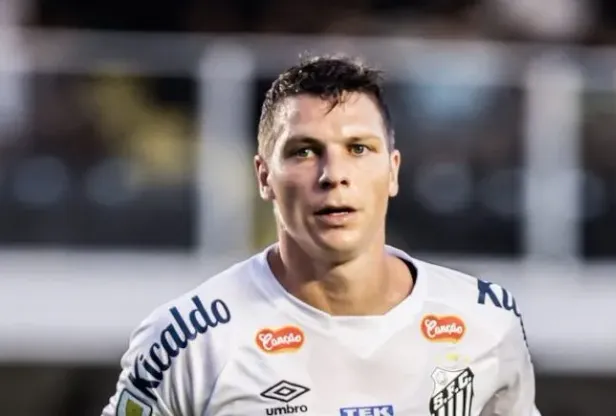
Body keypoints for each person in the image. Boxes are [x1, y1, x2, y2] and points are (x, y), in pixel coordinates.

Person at [101, 54, 540, 416]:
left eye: (359, 149)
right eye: (304, 151)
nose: (334, 175)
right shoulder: (189, 342)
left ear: (393, 171)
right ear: (264, 176)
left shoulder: (487, 322)